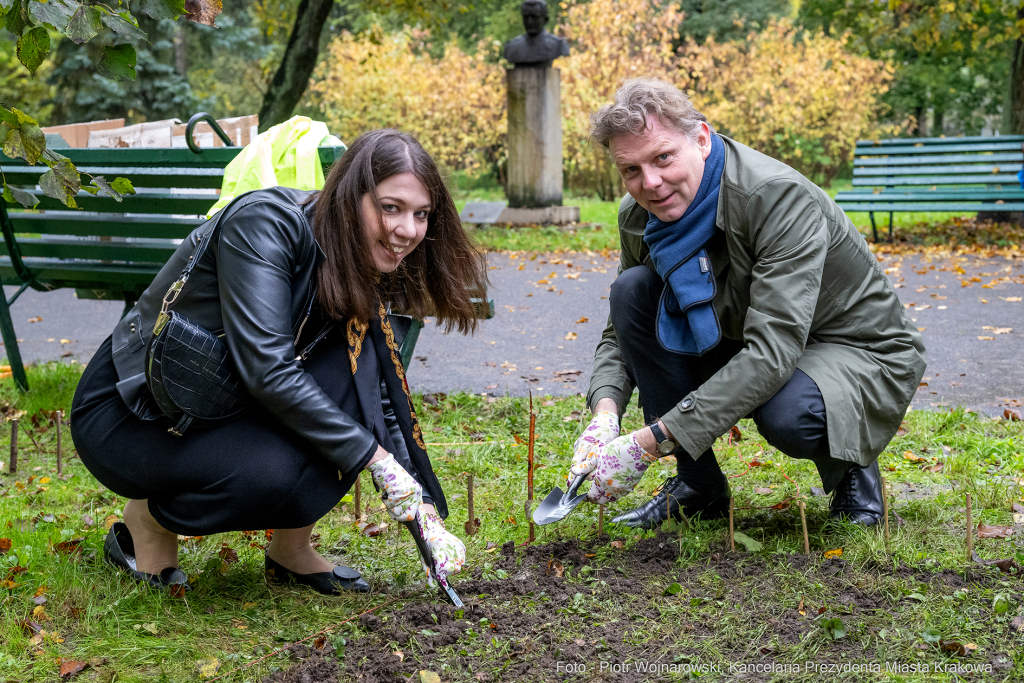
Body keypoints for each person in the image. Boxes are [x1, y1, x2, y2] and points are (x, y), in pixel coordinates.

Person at [70, 129, 487, 594]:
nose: (407, 230)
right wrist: (376, 458)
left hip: (226, 402)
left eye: (421, 214)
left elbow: (378, 395)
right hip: (140, 411)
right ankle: (144, 522)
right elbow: (268, 370)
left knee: (350, 396)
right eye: (390, 207)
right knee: (271, 474)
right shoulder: (265, 223)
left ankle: (291, 550)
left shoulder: (364, 255)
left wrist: (421, 508)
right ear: (351, 195)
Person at [569, 78, 926, 529]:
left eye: (662, 158)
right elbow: (621, 329)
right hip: (744, 331)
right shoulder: (639, 215)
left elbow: (774, 350)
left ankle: (852, 463)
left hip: (852, 347)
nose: (650, 183)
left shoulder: (775, 198)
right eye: (631, 170)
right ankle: (699, 487)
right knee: (634, 291)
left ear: (701, 139)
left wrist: (650, 440)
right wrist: (605, 415)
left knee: (791, 415)